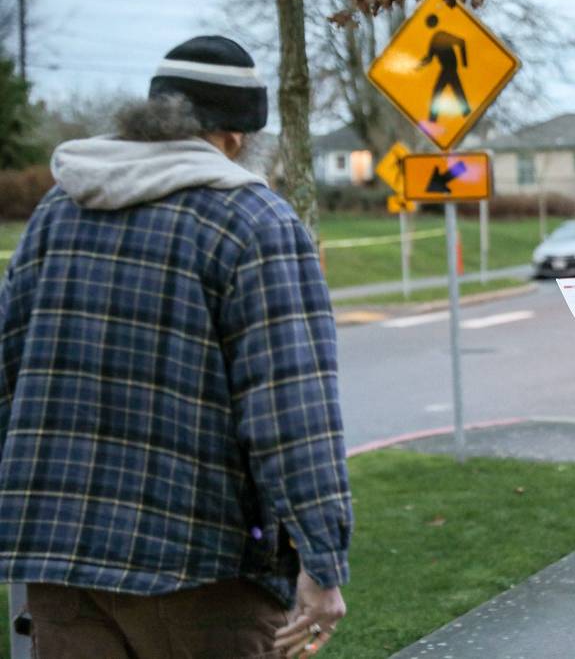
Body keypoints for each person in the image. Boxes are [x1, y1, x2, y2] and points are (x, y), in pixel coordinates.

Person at [0, 35, 353, 658]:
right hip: (198, 566)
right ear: (236, 138)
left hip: (58, 565)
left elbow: (9, 378)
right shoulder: (254, 223)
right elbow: (291, 416)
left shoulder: (58, 210)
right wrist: (322, 562)